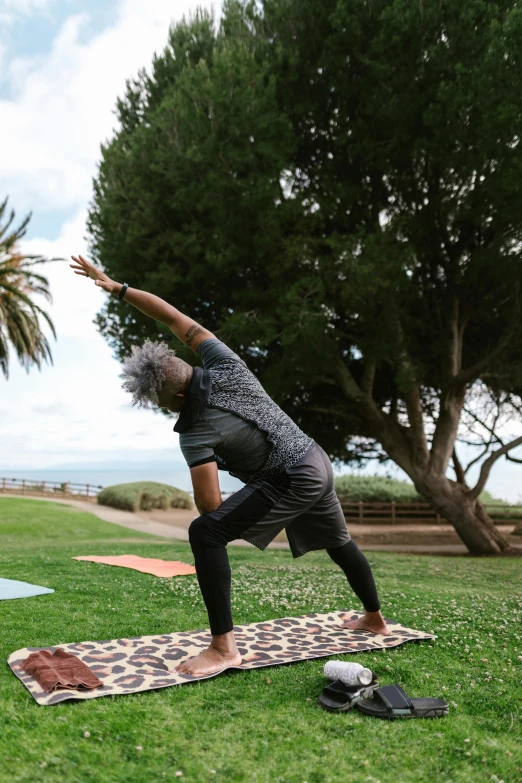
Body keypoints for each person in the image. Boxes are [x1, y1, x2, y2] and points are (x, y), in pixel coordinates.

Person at [70, 254, 390, 676]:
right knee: (339, 541)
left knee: (205, 533)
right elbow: (171, 316)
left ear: (179, 401)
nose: (167, 412)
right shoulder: (226, 362)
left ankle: (223, 648)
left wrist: (216, 461)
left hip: (291, 476)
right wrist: (119, 289)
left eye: (164, 406)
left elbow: (210, 507)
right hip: (315, 458)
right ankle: (374, 618)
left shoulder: (193, 432)